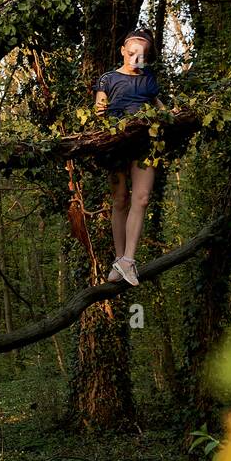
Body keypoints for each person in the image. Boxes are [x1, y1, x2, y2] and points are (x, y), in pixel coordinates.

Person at [94, 28, 167, 286]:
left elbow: (161, 107)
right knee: (120, 199)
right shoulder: (108, 78)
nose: (136, 58)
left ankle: (129, 260)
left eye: (142, 55)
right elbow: (99, 104)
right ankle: (118, 259)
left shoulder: (148, 79)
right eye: (132, 52)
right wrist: (99, 109)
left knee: (143, 197)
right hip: (116, 143)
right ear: (123, 51)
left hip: (145, 143)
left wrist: (172, 115)